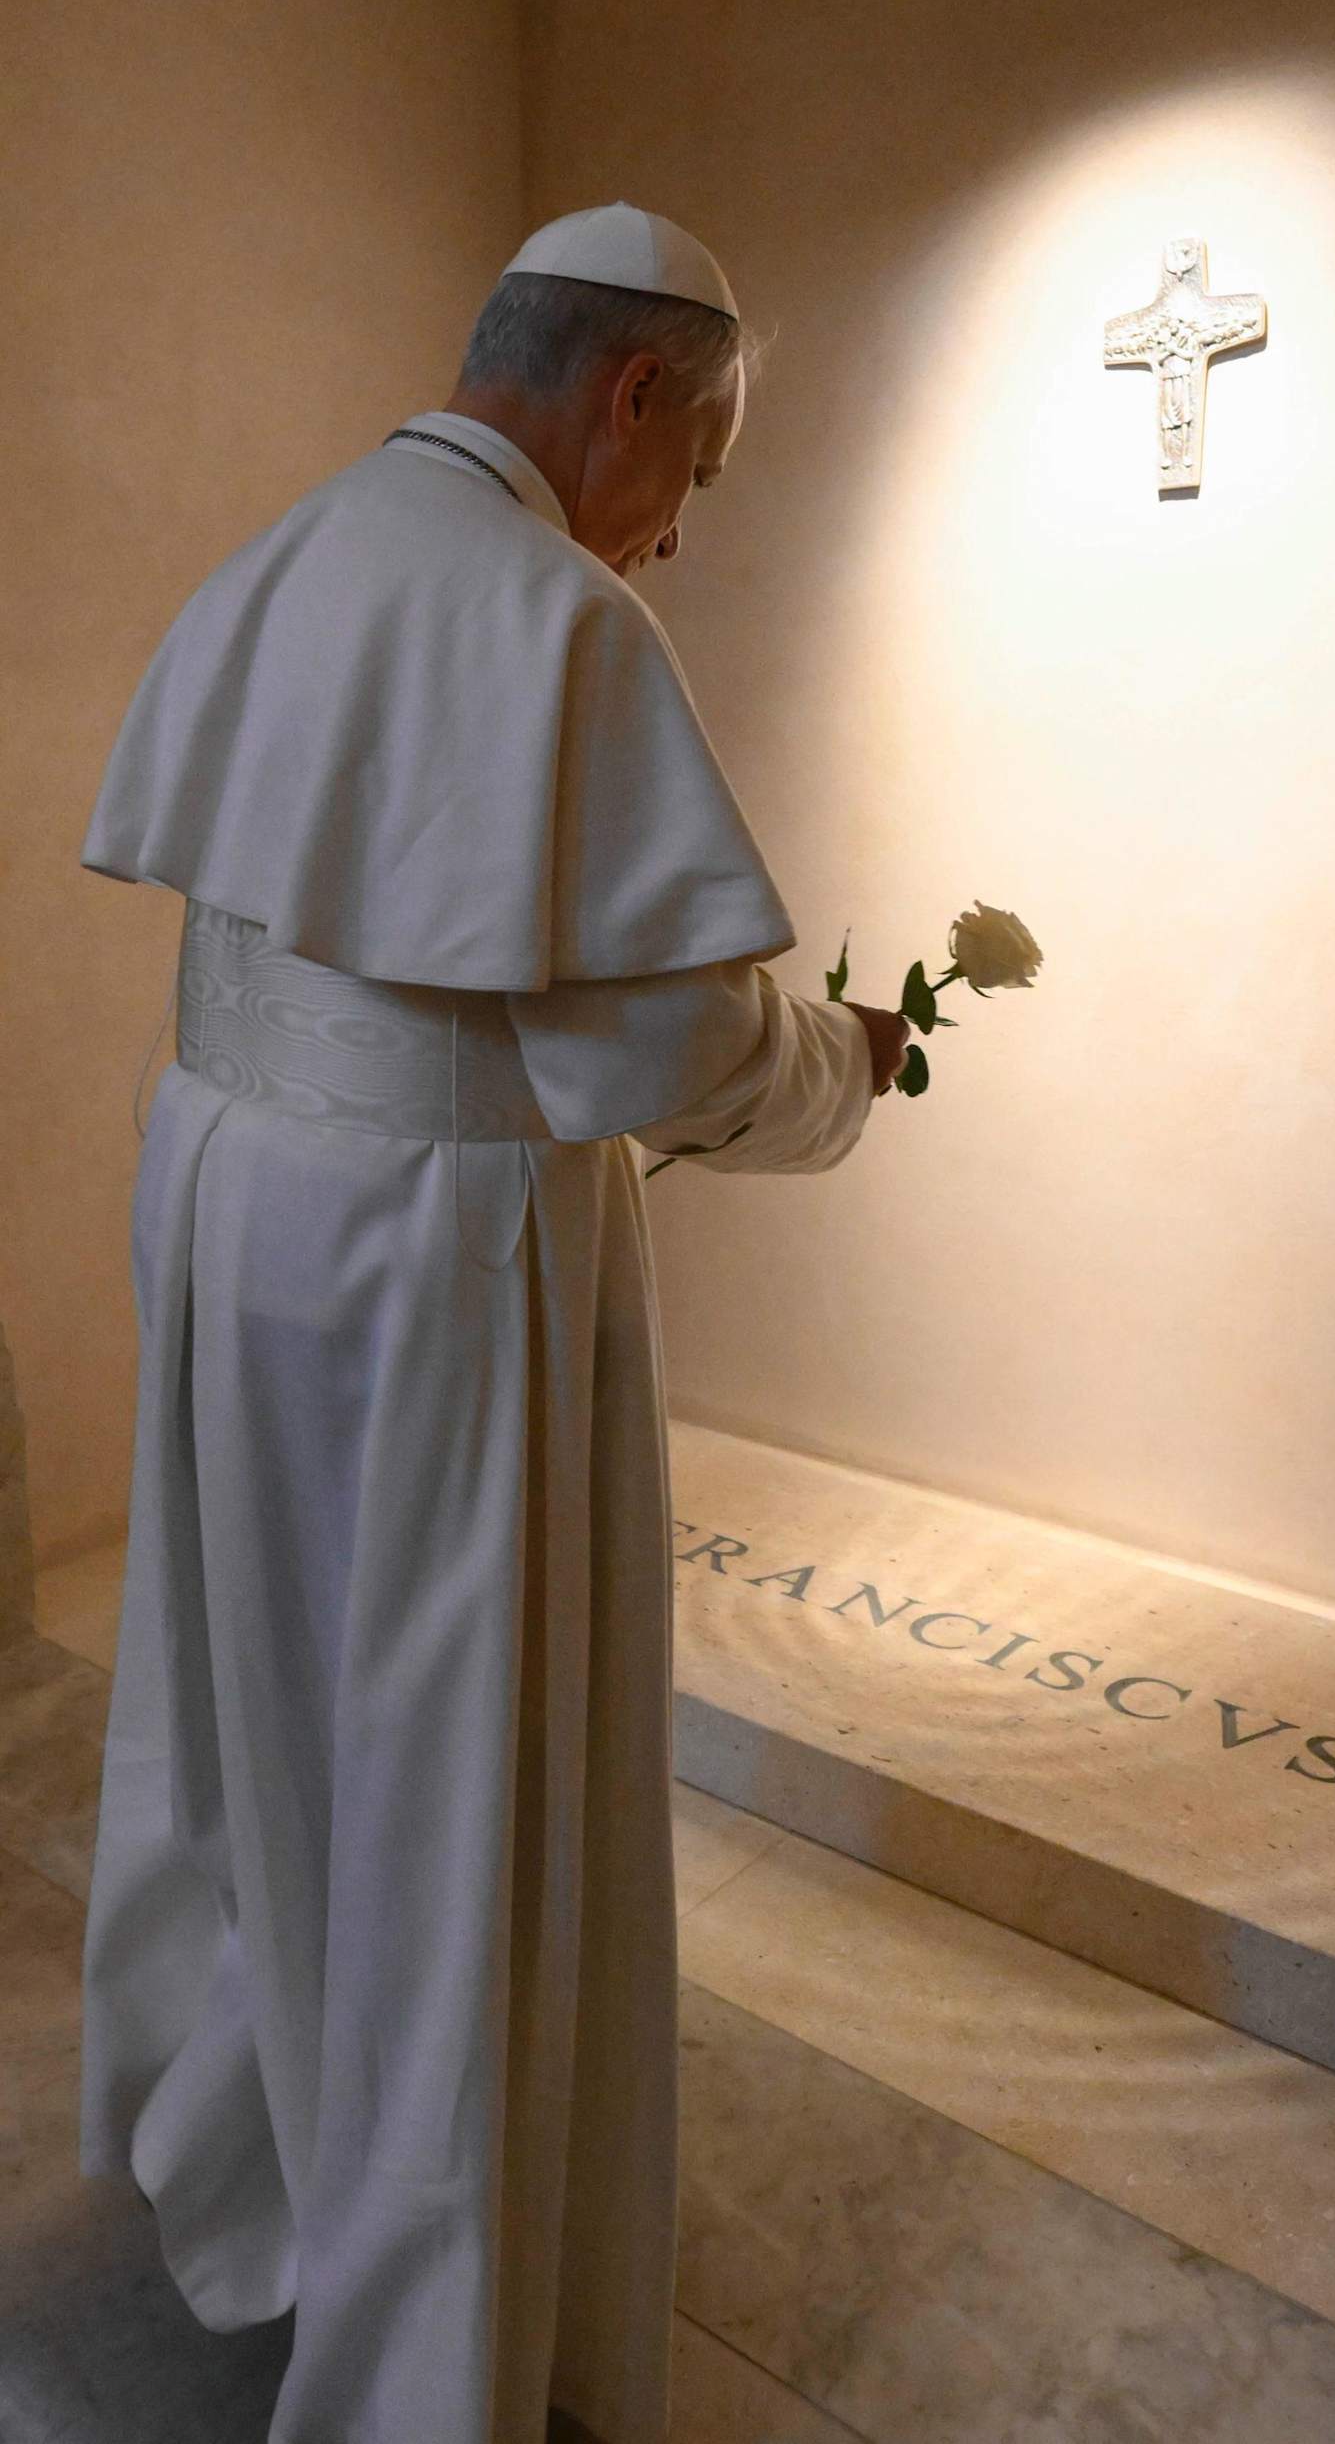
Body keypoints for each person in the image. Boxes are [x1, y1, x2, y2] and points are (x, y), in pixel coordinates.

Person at [74, 202, 912, 2444]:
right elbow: (663, 1047)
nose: (684, 533)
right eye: (700, 469)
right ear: (631, 386)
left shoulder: (283, 556)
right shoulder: (553, 615)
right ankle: (424, 2361)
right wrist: (843, 1065)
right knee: (449, 1795)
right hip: (419, 1265)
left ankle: (251, 2185)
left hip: (225, 1194)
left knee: (264, 1732)